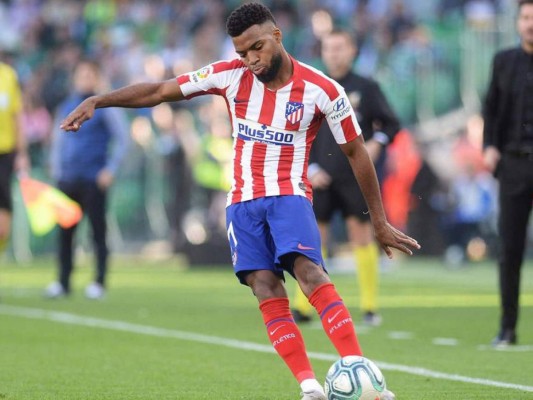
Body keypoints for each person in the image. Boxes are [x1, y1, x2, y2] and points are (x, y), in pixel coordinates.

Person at [59, 3, 419, 399]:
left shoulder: (322, 89)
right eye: (242, 53)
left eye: (257, 48)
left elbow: (357, 154)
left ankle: (364, 377)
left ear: (277, 36)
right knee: (265, 286)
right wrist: (99, 99)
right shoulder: (229, 75)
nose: (250, 60)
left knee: (310, 274)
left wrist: (380, 221)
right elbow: (161, 90)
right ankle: (310, 387)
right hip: (242, 204)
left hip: (289, 197)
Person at [291, 29, 400, 326]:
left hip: (354, 174)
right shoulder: (312, 86)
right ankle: (303, 305)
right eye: (329, 48)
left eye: (340, 48)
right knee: (314, 238)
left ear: (352, 51)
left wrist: (377, 142)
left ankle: (369, 306)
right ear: (322, 52)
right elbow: (298, 130)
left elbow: (391, 123)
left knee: (360, 235)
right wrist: (310, 167)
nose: (334, 53)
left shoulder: (366, 87)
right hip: (320, 176)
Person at [45, 59, 129, 300]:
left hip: (94, 179)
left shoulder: (102, 106)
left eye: (89, 75)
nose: (85, 79)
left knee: (97, 232)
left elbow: (123, 139)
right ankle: (63, 281)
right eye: (81, 75)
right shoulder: (67, 106)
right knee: (65, 233)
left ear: (96, 78)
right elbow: (58, 140)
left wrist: (110, 169)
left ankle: (99, 281)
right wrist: (57, 171)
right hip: (68, 179)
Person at [482, 0, 533, 347]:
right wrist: (490, 146)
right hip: (514, 164)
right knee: (510, 248)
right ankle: (507, 327)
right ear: (517, 22)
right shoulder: (503, 61)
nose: (531, 24)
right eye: (527, 17)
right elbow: (492, 109)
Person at [0, 58, 30, 254]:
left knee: (3, 204)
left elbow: (17, 117)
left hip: (5, 152)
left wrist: (22, 153)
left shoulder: (8, 75)